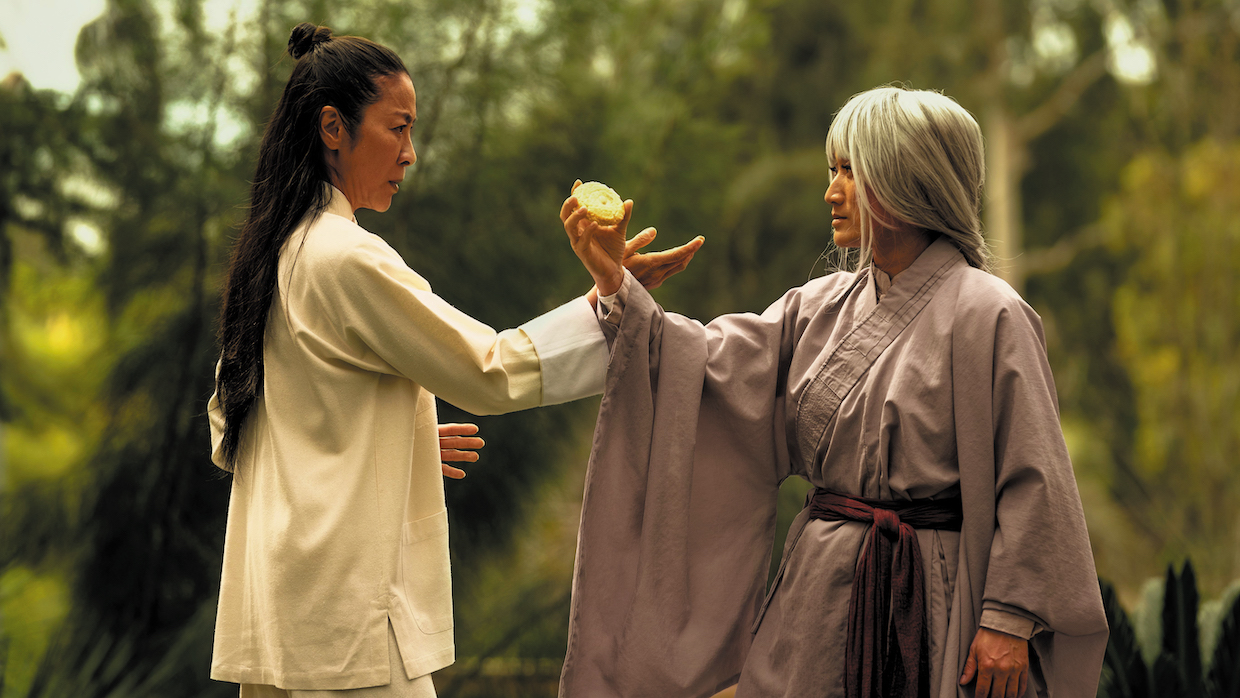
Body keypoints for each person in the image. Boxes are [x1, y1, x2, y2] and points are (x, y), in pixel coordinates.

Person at [558, 86, 1108, 698]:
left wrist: (1007, 615)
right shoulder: (816, 308)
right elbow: (701, 373)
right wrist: (617, 291)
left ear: (908, 179)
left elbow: (1035, 477)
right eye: (832, 170)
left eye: (849, 170)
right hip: (815, 600)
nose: (830, 191)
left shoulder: (990, 312)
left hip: (933, 597)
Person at [205, 22, 699, 698]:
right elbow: (487, 370)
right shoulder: (347, 256)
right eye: (397, 128)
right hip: (351, 620)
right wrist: (612, 303)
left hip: (286, 609)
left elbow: (239, 426)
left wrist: (383, 439)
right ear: (332, 128)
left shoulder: (273, 255)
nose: (411, 153)